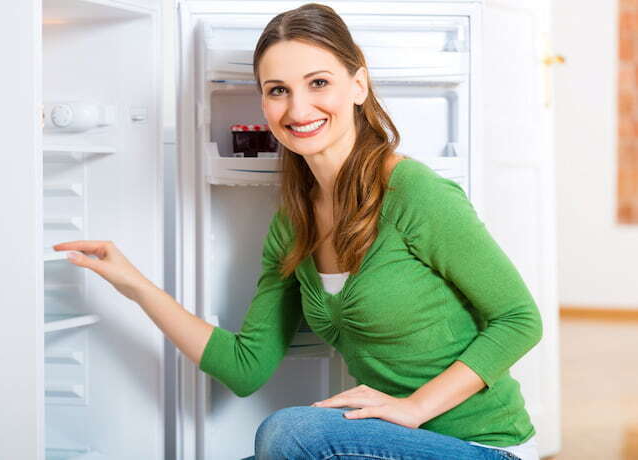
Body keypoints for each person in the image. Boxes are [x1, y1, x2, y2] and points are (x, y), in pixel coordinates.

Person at [54, 3, 543, 459]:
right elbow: (247, 367)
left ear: (358, 85)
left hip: (480, 448)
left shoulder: (413, 192)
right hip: (381, 445)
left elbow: (519, 319)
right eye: (278, 90)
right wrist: (134, 285)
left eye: (318, 83)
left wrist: (414, 407)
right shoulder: (294, 224)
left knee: (292, 433)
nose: (297, 109)